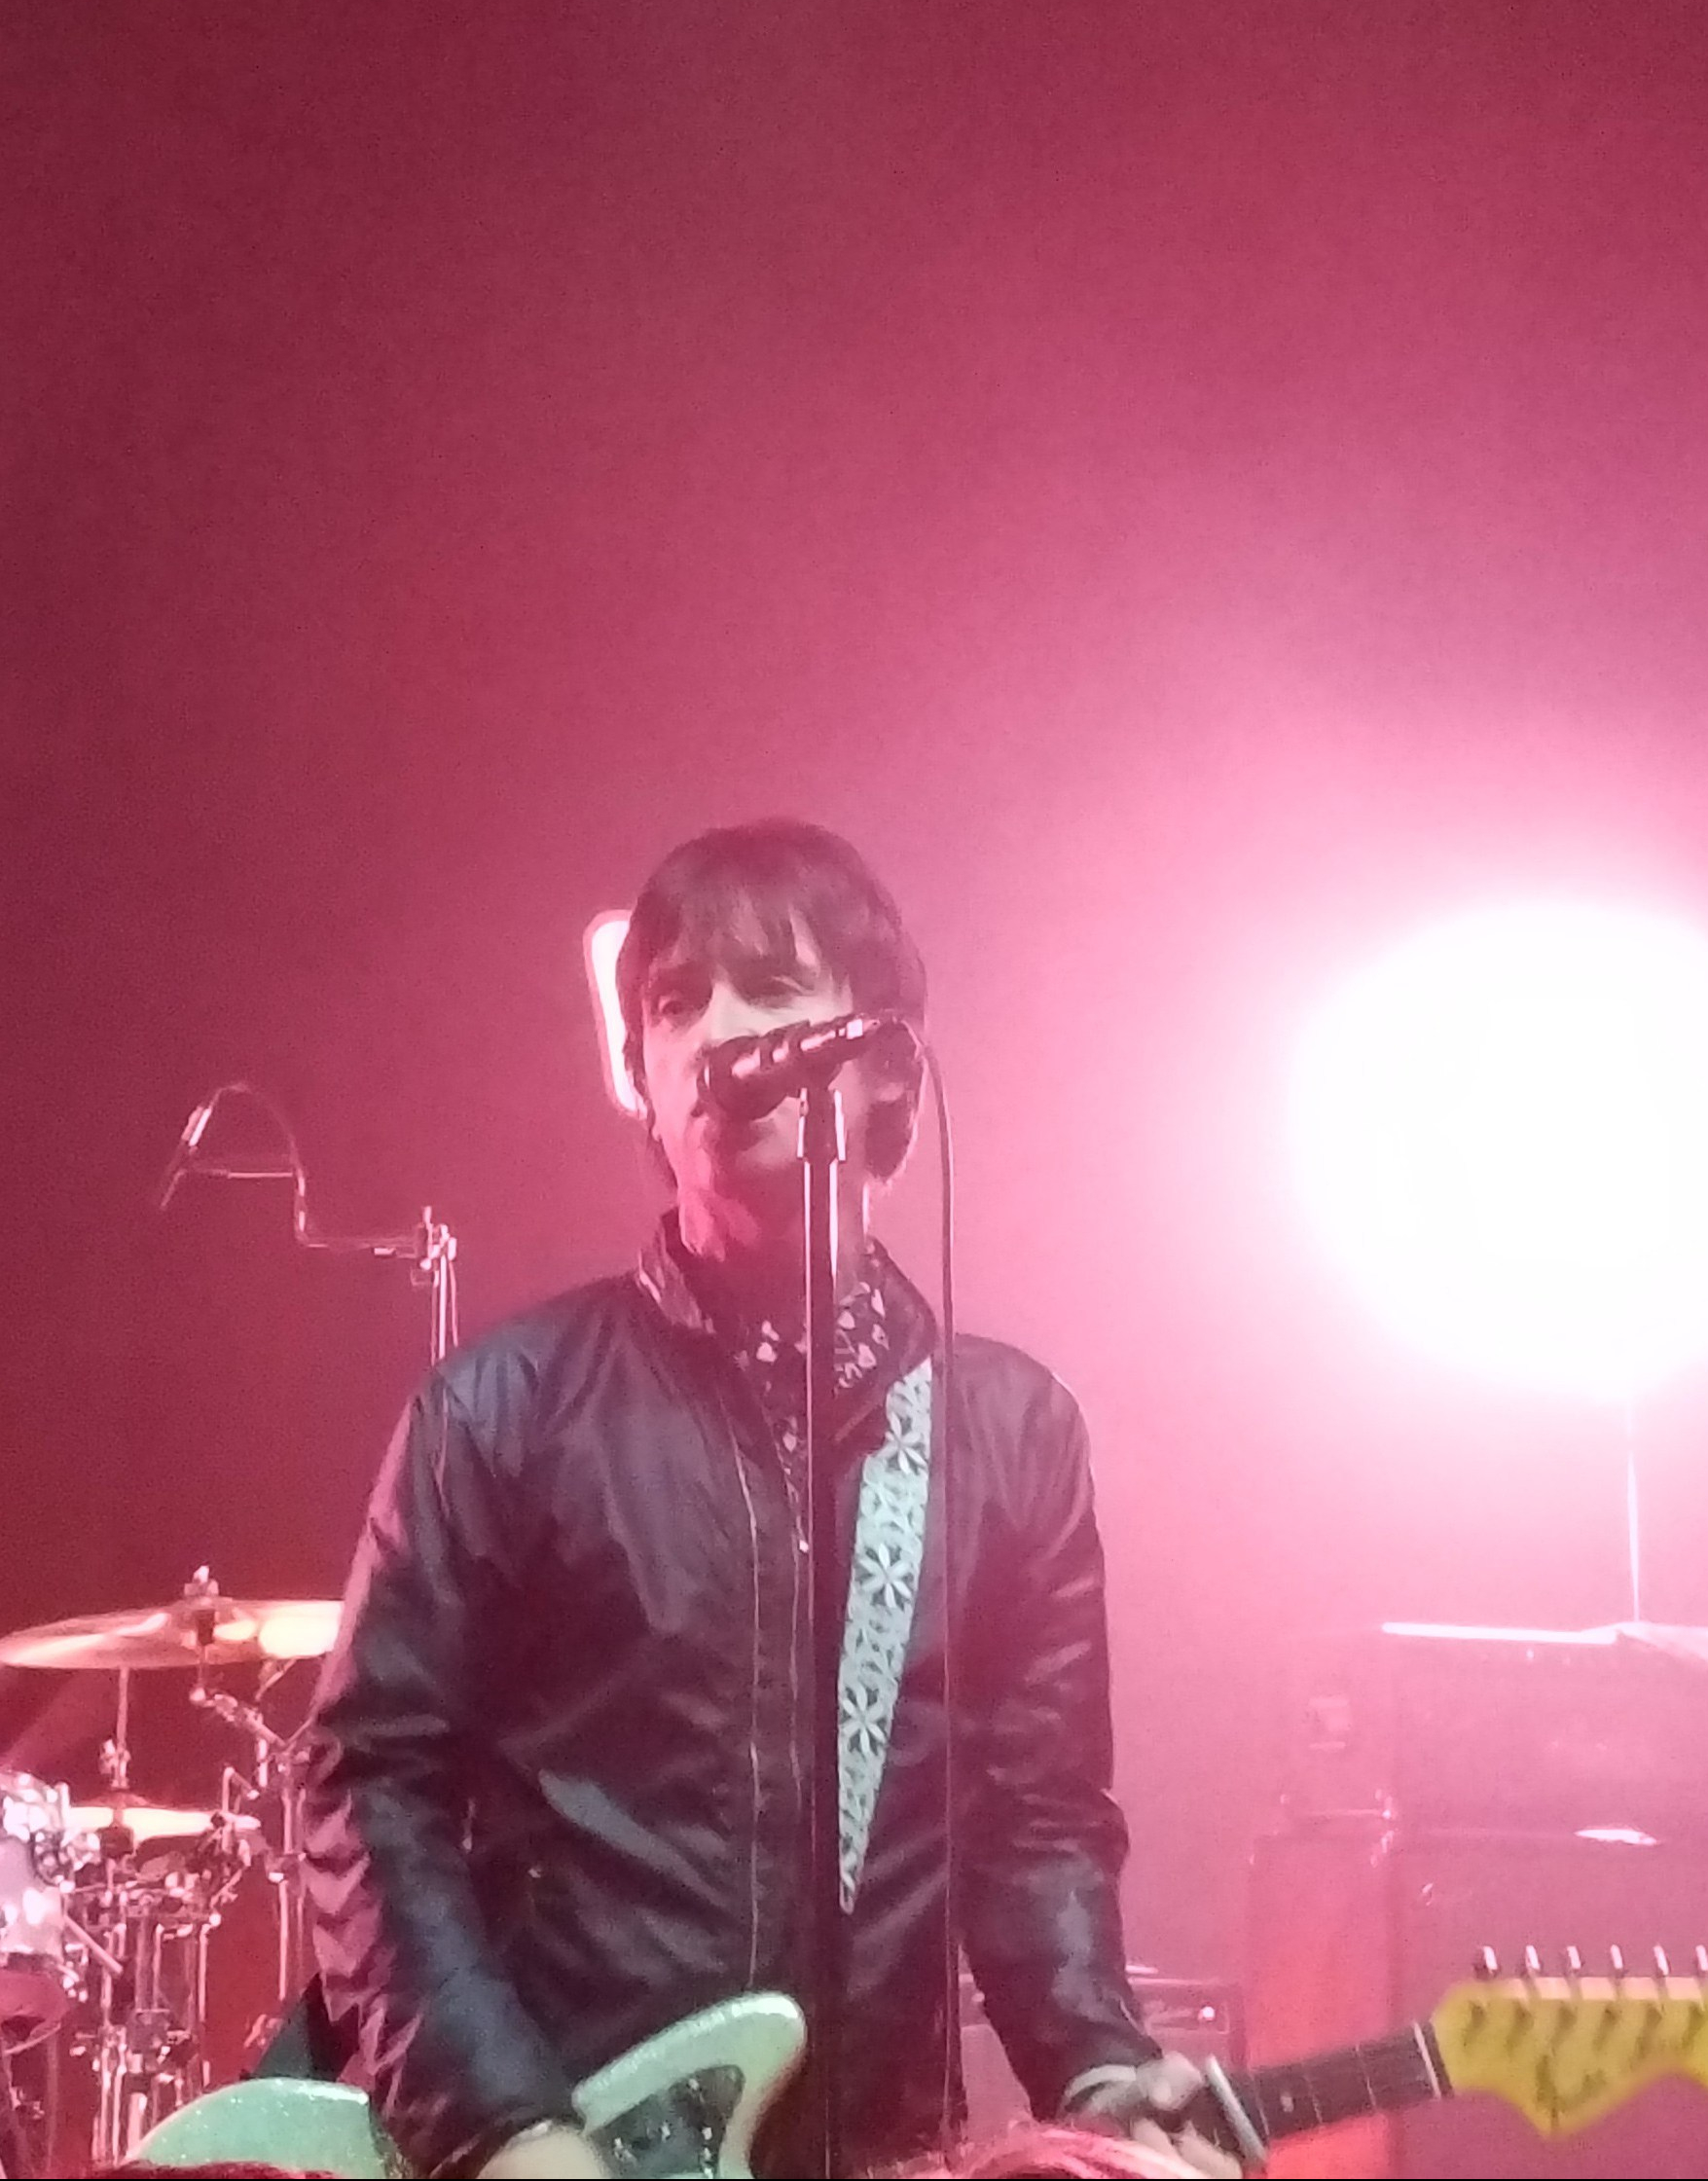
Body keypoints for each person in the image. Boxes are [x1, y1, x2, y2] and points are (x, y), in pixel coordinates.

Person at [303, 819, 1239, 2181]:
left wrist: (1096, 2069)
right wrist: (501, 2126)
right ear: (642, 1076)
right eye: (677, 1004)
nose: (720, 1037)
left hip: (882, 2146)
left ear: (884, 1061)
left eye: (774, 990)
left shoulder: (1008, 1431)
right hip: (561, 2131)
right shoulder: (503, 1407)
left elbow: (1033, 1820)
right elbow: (366, 1788)